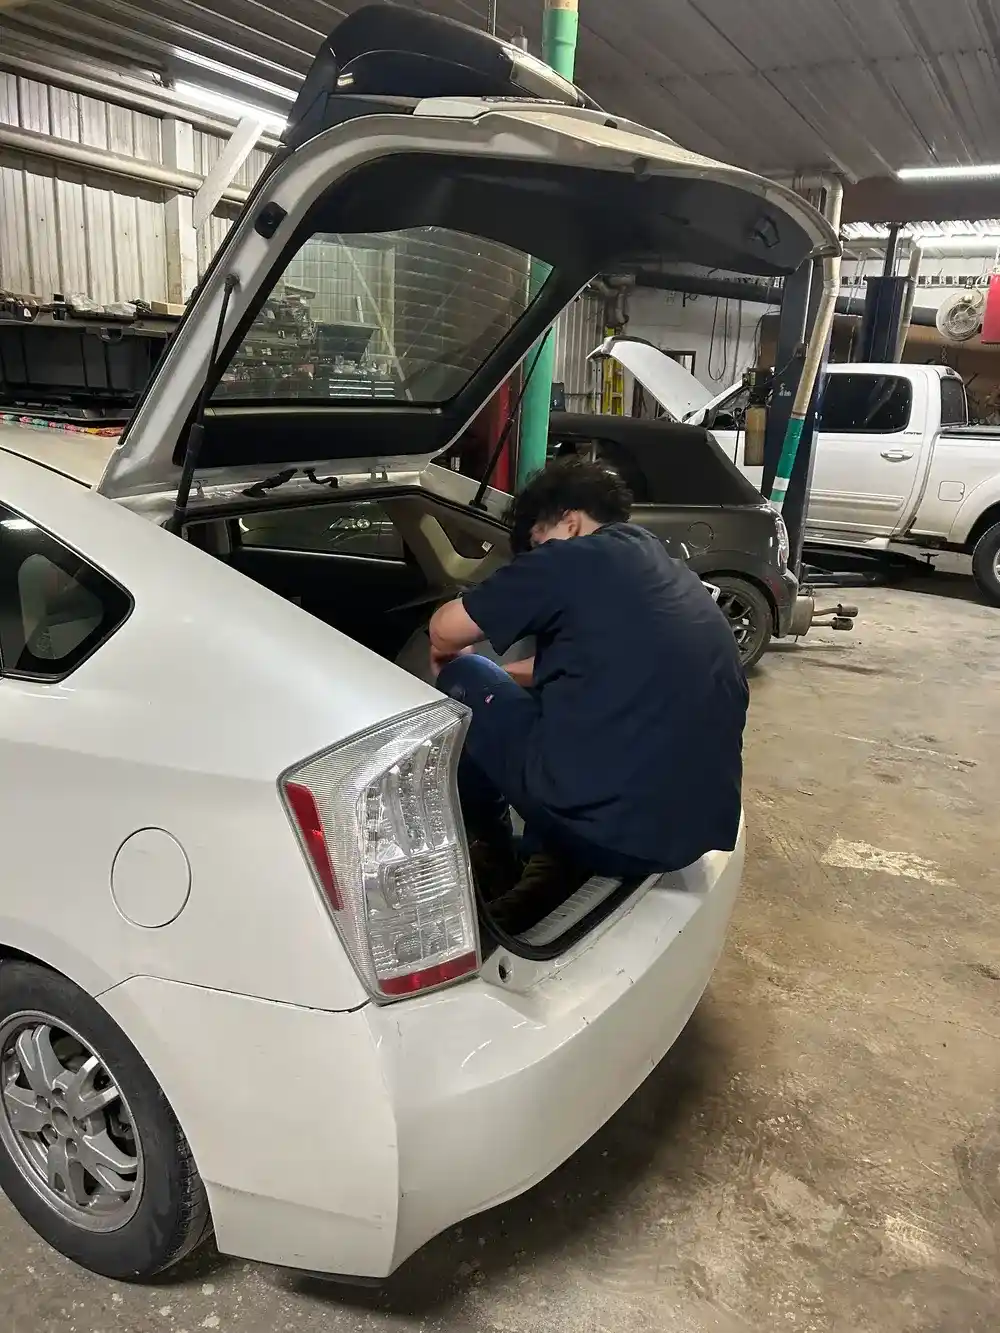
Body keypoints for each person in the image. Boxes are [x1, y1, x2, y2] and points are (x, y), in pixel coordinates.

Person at [428, 457, 749, 916]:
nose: (536, 557)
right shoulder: (660, 564)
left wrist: (471, 667)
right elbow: (591, 664)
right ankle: (549, 854)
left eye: (536, 543)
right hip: (689, 836)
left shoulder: (568, 559)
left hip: (604, 834)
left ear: (570, 523)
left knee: (464, 673)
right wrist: (506, 678)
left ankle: (492, 851)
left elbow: (444, 631)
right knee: (527, 696)